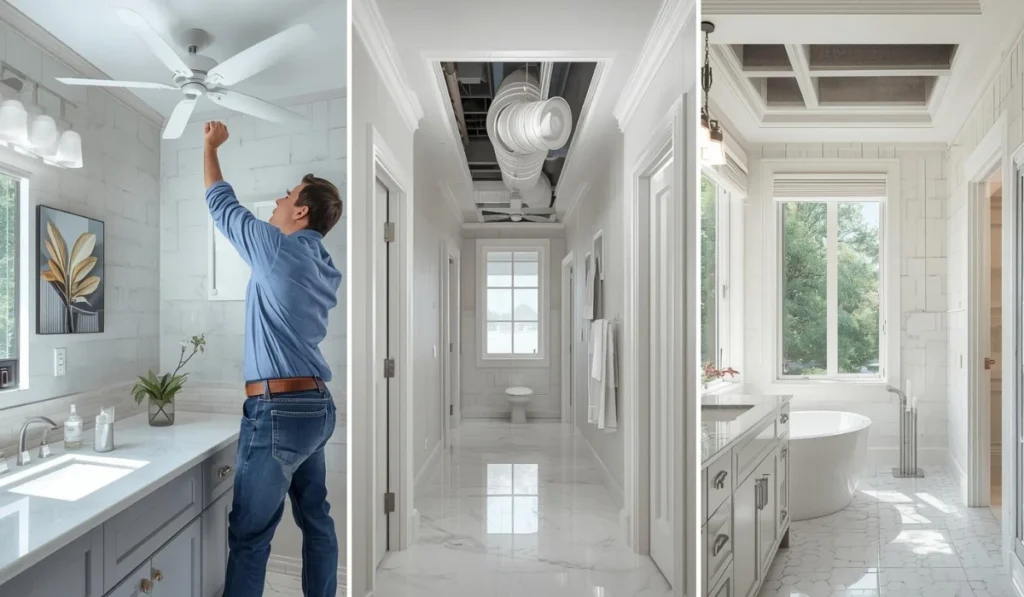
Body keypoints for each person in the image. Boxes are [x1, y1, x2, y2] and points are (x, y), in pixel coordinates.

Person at [203, 121, 342, 597]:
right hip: (316, 409)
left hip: (277, 410)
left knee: (250, 536)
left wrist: (210, 147)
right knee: (316, 519)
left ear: (300, 211)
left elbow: (221, 204)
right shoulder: (324, 265)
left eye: (287, 196)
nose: (279, 201)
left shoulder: (276, 250)